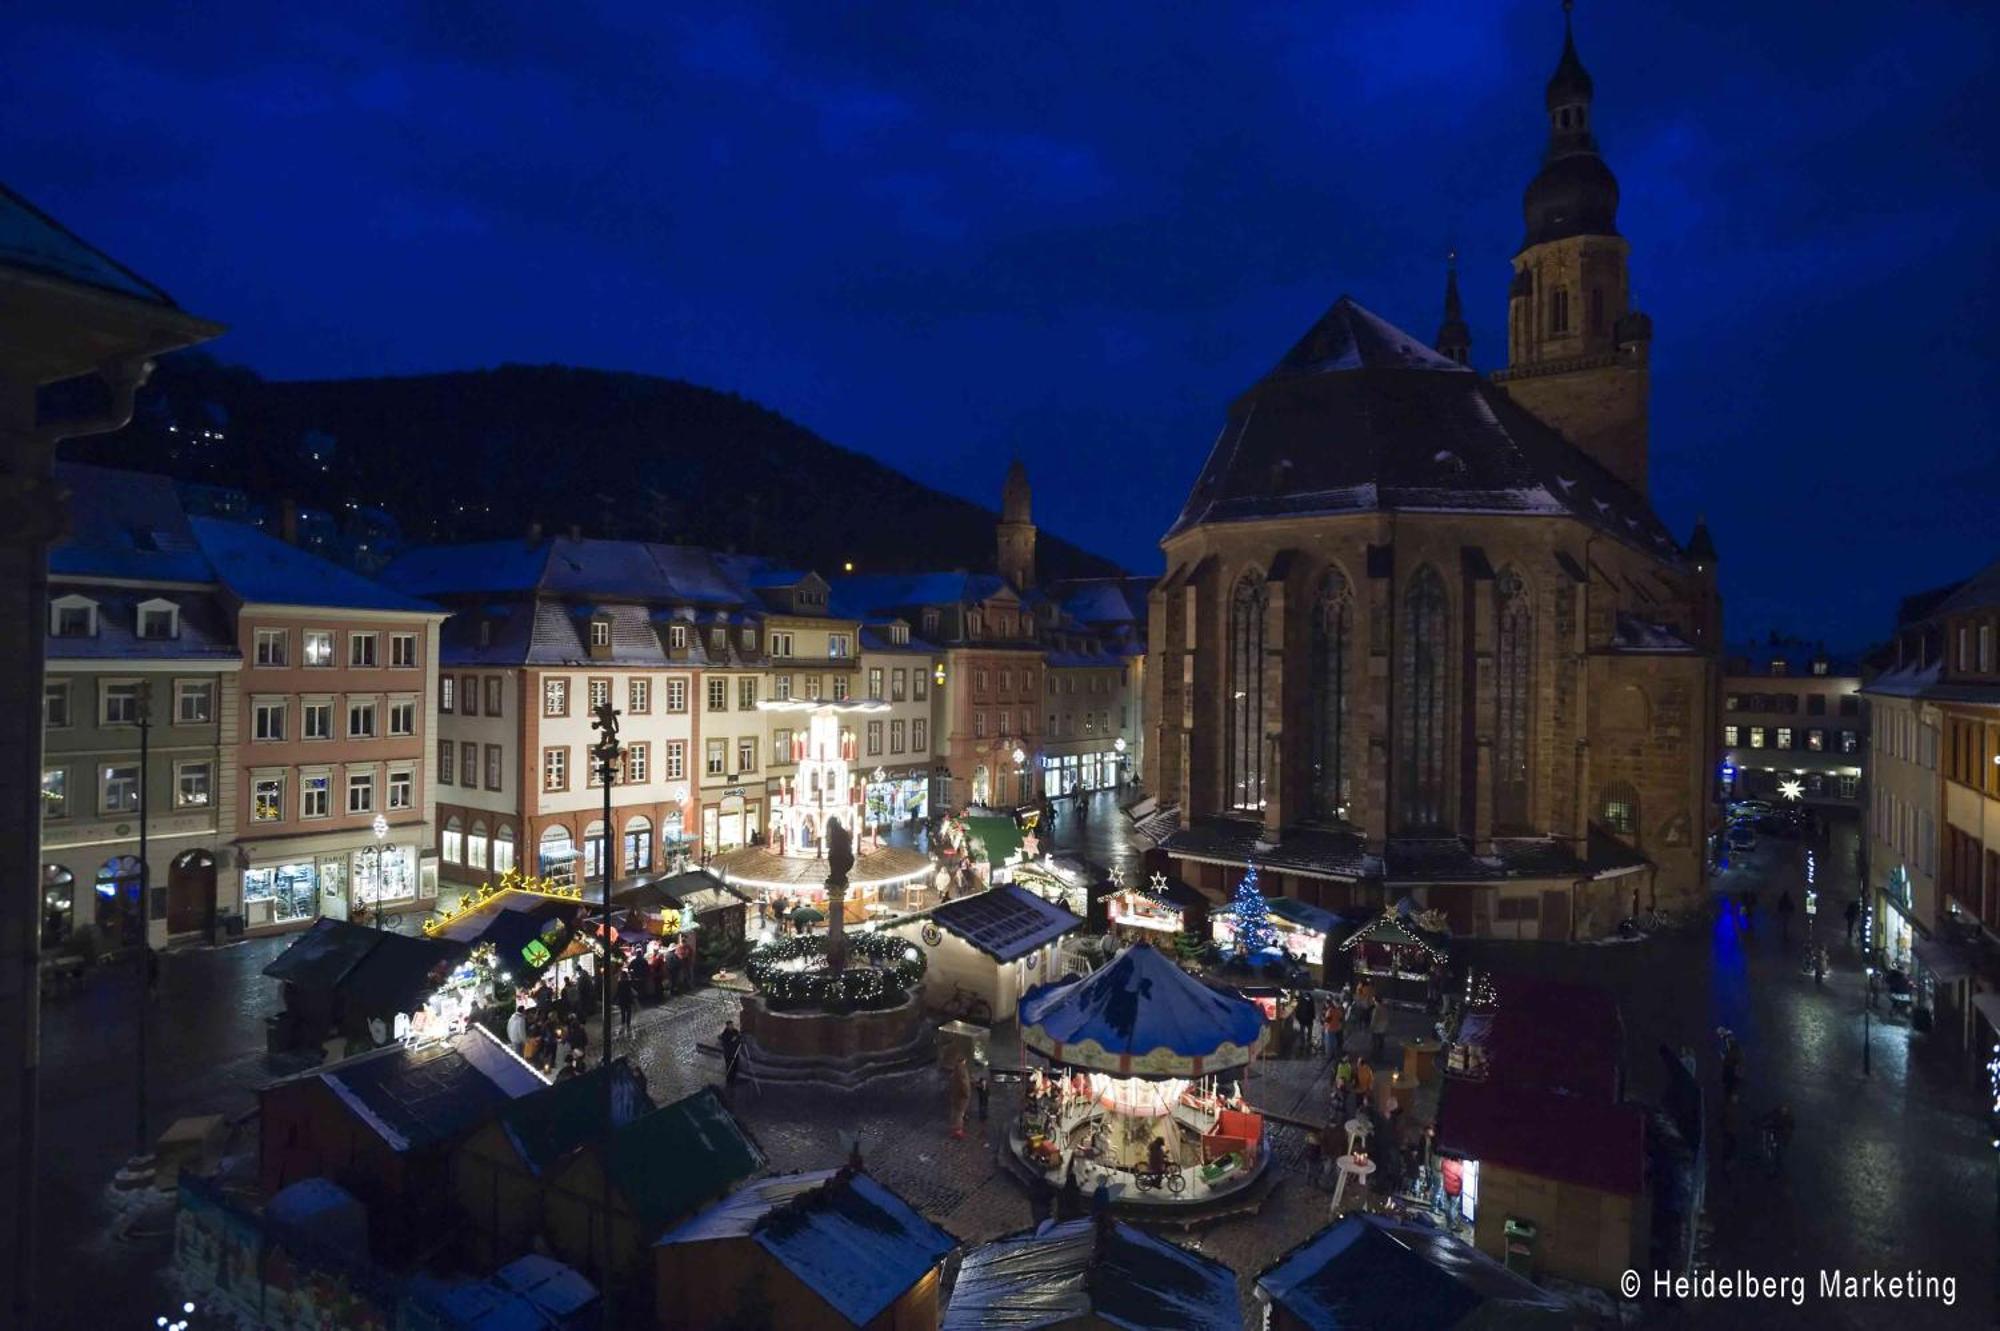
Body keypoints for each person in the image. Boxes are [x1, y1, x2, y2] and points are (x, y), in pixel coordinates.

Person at [947, 1056, 972, 1140]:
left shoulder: (955, 1070)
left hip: (955, 1095)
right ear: (963, 1061)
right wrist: (967, 1093)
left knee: (955, 1112)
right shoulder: (962, 1070)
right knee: (960, 1113)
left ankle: (954, 1129)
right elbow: (964, 1083)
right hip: (961, 1096)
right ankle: (958, 1132)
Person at [720, 1019, 743, 1089]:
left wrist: (739, 1037)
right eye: (730, 1025)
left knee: (736, 1066)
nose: (732, 1026)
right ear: (727, 1026)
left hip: (736, 1052)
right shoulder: (724, 1034)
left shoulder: (735, 1031)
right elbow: (726, 1044)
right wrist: (733, 1040)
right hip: (729, 1054)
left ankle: (735, 1079)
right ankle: (729, 1082)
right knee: (730, 1068)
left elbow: (739, 1038)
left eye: (732, 1025)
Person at [615, 971, 637, 1036]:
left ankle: (623, 1023)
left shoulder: (620, 983)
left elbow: (618, 992)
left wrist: (615, 998)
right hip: (628, 999)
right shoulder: (628, 982)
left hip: (622, 1000)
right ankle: (628, 1024)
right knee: (629, 1012)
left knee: (623, 1012)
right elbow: (630, 989)